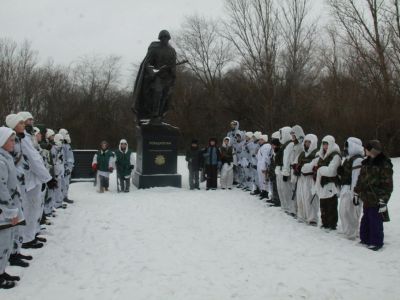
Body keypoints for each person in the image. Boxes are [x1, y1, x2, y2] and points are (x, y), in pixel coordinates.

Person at [17, 112, 54, 249]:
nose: (31, 122)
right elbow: (34, 159)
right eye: (27, 120)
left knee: (34, 209)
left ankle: (30, 235)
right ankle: (26, 238)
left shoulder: (28, 137)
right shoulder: (23, 138)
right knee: (28, 209)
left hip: (34, 179)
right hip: (27, 180)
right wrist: (47, 178)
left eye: (32, 120)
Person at [354, 140, 393, 251]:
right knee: (366, 218)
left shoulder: (384, 164)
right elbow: (360, 179)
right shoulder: (366, 162)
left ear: (372, 150)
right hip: (366, 197)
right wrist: (357, 192)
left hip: (377, 198)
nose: (364, 150)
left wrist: (383, 199)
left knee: (375, 220)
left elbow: (388, 185)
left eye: (366, 148)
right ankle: (365, 239)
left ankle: (376, 242)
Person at [132, 30, 177, 122]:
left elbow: (173, 66)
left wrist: (172, 75)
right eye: (163, 37)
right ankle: (154, 114)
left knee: (165, 96)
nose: (165, 39)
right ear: (160, 38)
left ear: (168, 38)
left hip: (167, 78)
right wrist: (154, 71)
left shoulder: (172, 51)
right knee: (158, 93)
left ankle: (160, 115)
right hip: (157, 77)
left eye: (166, 38)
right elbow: (147, 63)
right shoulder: (154, 49)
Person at [0, 126, 25, 289]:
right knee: (2, 243)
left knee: (7, 242)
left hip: (10, 208)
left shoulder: (6, 158)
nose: (13, 143)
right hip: (4, 211)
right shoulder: (1, 161)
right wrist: (10, 210)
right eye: (10, 140)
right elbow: (1, 188)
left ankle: (1, 270)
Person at [313, 135, 341, 231]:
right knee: (323, 205)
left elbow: (331, 171)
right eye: (323, 144)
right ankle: (325, 223)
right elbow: (317, 165)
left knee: (331, 205)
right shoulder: (322, 155)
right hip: (322, 183)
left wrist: (320, 170)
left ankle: (332, 224)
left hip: (331, 184)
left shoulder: (335, 155)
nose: (325, 146)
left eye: (327, 144)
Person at [292, 134, 319, 225]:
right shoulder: (302, 153)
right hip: (301, 178)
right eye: (306, 142)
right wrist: (296, 168)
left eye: (309, 142)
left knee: (309, 198)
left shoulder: (317, 153)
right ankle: (301, 215)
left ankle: (312, 218)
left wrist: (302, 168)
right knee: (300, 197)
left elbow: (312, 166)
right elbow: (295, 163)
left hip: (310, 179)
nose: (307, 144)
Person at [275, 127, 294, 215]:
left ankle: (290, 208)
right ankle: (285, 206)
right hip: (281, 169)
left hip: (285, 170)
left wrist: (286, 171)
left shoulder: (289, 145)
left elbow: (287, 159)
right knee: (282, 189)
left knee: (287, 190)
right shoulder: (284, 144)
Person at [58, 128, 74, 204]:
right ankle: (63, 197)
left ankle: (65, 196)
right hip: (65, 167)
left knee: (66, 183)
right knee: (64, 183)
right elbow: (63, 157)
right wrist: (66, 167)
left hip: (68, 167)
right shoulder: (63, 145)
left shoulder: (67, 145)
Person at [266, 132, 281, 207]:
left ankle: (277, 200)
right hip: (273, 171)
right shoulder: (273, 151)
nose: (272, 146)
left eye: (273, 145)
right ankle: (274, 198)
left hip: (277, 171)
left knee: (276, 187)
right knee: (273, 186)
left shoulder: (278, 151)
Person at [257, 135, 272, 200]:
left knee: (264, 180)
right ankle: (263, 190)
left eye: (261, 140)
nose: (259, 141)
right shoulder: (262, 147)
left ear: (264, 140)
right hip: (260, 164)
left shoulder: (266, 147)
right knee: (261, 179)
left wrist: (264, 167)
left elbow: (265, 158)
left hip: (262, 165)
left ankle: (266, 192)